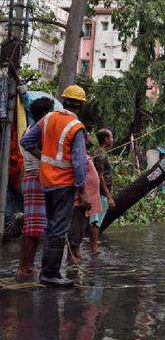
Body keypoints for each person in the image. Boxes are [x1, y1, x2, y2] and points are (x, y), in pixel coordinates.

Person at [21, 85, 89, 287]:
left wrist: (43, 160)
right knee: (59, 228)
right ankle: (50, 274)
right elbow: (78, 161)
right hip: (64, 184)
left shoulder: (47, 119)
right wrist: (82, 190)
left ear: (64, 100)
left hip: (47, 182)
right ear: (81, 105)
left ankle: (47, 271)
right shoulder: (76, 126)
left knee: (52, 227)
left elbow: (26, 141)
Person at [15, 97, 54, 280]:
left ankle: (28, 266)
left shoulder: (34, 128)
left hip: (34, 178)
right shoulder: (39, 129)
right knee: (33, 228)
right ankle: (24, 267)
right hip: (36, 178)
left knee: (35, 227)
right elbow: (28, 144)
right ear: (46, 114)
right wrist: (46, 158)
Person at [68, 142, 102, 264]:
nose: (88, 134)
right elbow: (78, 173)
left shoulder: (84, 154)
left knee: (82, 225)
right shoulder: (78, 154)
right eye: (85, 134)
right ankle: (71, 255)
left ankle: (76, 252)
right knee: (76, 225)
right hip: (82, 197)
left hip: (88, 197)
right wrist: (82, 194)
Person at [90, 128, 115, 255]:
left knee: (96, 220)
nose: (112, 139)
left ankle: (93, 248)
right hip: (99, 193)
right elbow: (99, 176)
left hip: (99, 193)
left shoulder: (100, 153)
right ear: (105, 139)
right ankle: (94, 249)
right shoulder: (100, 154)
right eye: (110, 137)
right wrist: (108, 195)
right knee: (96, 221)